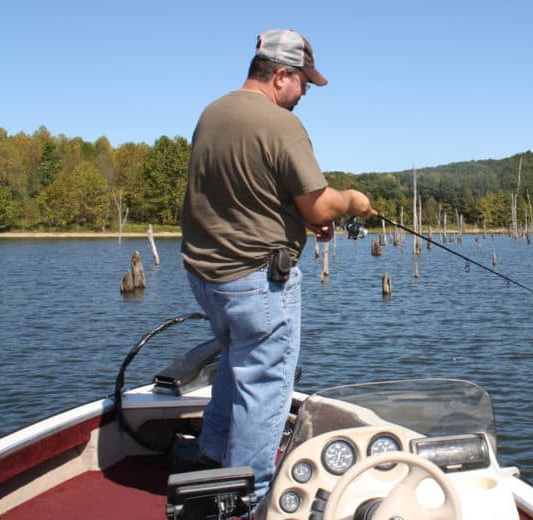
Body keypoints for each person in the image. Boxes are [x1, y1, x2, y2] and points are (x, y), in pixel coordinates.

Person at [180, 28, 375, 499]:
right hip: (256, 284)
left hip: (206, 277)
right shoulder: (280, 123)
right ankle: (245, 497)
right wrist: (351, 200)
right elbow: (317, 204)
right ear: (281, 75)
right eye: (303, 81)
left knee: (234, 360)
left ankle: (211, 454)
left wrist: (301, 221)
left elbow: (247, 197)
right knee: (265, 384)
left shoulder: (213, 113)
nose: (305, 91)